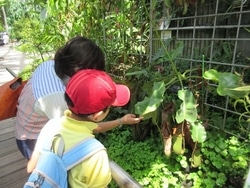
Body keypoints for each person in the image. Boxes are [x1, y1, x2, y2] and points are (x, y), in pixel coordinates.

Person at [15, 36, 143, 160]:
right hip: (32, 139)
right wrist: (121, 121)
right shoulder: (59, 98)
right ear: (78, 70)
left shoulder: (53, 65)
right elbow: (82, 127)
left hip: (40, 126)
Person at [27, 69, 131, 187]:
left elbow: (31, 167)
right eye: (109, 107)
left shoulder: (51, 125)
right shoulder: (95, 154)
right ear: (97, 115)